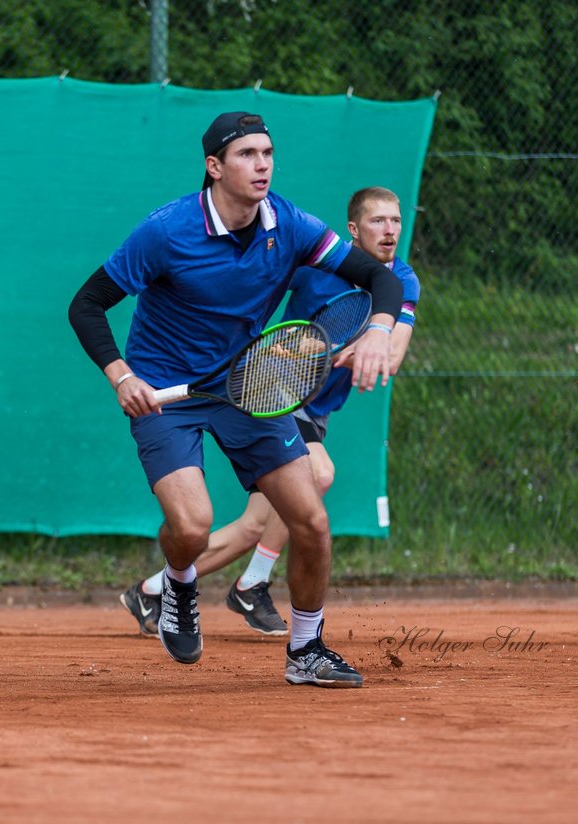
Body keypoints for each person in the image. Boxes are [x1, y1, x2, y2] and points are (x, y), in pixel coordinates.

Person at [68, 112, 403, 688]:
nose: (263, 164)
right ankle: (178, 580)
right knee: (193, 526)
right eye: (247, 154)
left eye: (268, 153)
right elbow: (87, 303)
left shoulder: (291, 224)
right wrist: (122, 376)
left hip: (247, 384)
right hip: (164, 389)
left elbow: (381, 280)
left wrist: (378, 329)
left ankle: (306, 651)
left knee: (312, 522)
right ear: (214, 167)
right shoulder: (168, 232)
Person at [119, 187, 420, 637]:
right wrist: (284, 346)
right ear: (354, 231)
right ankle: (255, 583)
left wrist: (356, 345)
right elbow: (262, 305)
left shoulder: (402, 280)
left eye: (395, 221)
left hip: (317, 411)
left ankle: (152, 590)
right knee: (319, 475)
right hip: (276, 393)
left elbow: (391, 355)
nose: (390, 230)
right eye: (378, 221)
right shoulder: (314, 264)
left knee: (253, 526)